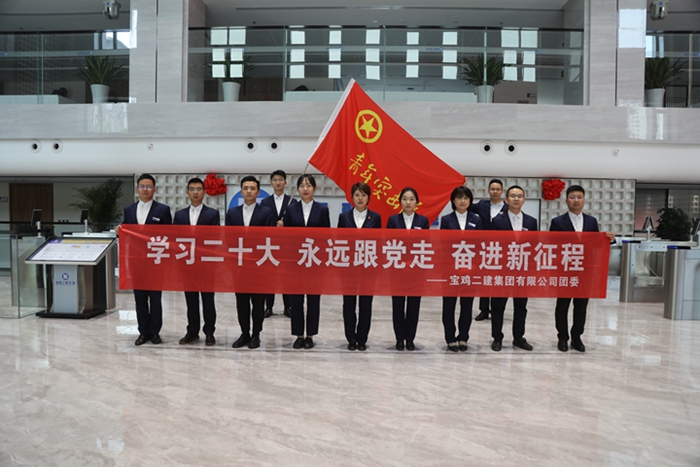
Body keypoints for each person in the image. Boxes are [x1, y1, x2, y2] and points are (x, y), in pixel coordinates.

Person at [550, 185, 616, 353]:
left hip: (585, 271)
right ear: (566, 200)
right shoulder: (557, 222)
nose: (576, 200)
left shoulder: (591, 221)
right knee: (562, 306)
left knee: (581, 306)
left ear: (584, 200)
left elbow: (596, 244)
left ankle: (577, 337)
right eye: (572, 197)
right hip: (564, 270)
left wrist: (609, 239)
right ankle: (562, 337)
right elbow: (552, 245)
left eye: (579, 197)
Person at [116, 174, 172, 346]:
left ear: (154, 189)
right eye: (142, 186)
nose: (145, 189)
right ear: (137, 189)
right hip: (136, 261)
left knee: (155, 299)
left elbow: (170, 235)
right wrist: (119, 230)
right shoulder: (129, 210)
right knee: (140, 299)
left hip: (156, 261)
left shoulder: (163, 210)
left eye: (148, 186)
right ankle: (143, 332)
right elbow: (126, 230)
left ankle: (155, 332)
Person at [225, 175, 275, 349]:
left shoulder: (266, 212)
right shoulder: (232, 213)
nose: (249, 191)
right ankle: (244, 333)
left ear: (258, 192)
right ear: (241, 191)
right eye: (246, 188)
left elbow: (269, 237)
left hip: (259, 264)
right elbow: (229, 238)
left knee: (258, 302)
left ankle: (256, 334)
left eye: (252, 188)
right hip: (239, 265)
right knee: (241, 301)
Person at [282, 174, 330, 349]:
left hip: (315, 262)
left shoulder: (322, 210)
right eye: (302, 185)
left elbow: (326, 237)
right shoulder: (291, 209)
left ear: (314, 188)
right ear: (298, 189)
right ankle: (298, 335)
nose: (305, 188)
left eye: (309, 185)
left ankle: (310, 335)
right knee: (296, 300)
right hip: (295, 262)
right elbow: (286, 237)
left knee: (313, 300)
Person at [173, 177, 221, 346]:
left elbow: (215, 238)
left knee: (208, 300)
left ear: (204, 192)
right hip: (187, 264)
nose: (195, 192)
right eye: (192, 189)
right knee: (191, 300)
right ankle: (192, 332)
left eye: (199, 189)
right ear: (187, 192)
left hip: (207, 264)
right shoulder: (179, 215)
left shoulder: (212, 214)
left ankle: (209, 332)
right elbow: (175, 239)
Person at [490, 185, 537, 352]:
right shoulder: (497, 220)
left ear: (524, 200)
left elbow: (534, 246)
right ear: (506, 199)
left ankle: (518, 337)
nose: (516, 199)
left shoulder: (531, 221)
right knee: (498, 306)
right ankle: (497, 338)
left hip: (523, 271)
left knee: (521, 306)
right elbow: (492, 245)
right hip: (502, 270)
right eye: (513, 196)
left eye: (519, 196)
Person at [337, 182, 382, 351]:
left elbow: (378, 243)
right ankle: (351, 338)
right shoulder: (344, 217)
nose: (360, 198)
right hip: (349, 268)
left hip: (368, 267)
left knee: (365, 304)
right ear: (352, 198)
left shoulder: (375, 218)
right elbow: (340, 242)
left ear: (368, 198)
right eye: (357, 195)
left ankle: (362, 339)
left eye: (363, 195)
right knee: (349, 304)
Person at [386, 187, 430, 351]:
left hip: (416, 269)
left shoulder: (423, 221)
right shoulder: (393, 220)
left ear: (417, 202)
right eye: (404, 199)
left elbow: (425, 243)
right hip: (397, 269)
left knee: (414, 305)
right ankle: (399, 338)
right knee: (397, 305)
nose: (408, 202)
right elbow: (389, 243)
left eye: (411, 199)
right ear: (400, 202)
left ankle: (410, 338)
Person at [440, 186, 482, 352]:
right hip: (450, 270)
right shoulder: (446, 220)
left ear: (470, 201)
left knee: (467, 305)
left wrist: (472, 266)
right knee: (448, 306)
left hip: (470, 270)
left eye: (466, 198)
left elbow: (480, 245)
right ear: (453, 201)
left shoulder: (476, 220)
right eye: (459, 198)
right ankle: (450, 338)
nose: (462, 201)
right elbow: (444, 245)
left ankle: (463, 337)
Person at [470, 179, 508, 322]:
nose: (495, 191)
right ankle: (484, 310)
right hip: (484, 248)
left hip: (503, 249)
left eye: (498, 189)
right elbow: (465, 205)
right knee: (485, 279)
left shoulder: (509, 207)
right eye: (492, 189)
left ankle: (497, 309)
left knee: (498, 279)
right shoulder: (482, 205)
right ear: (488, 190)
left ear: (502, 191)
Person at [260, 169, 295, 318]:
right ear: (271, 183)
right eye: (275, 180)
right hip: (270, 244)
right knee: (270, 277)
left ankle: (288, 306)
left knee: (287, 277)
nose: (278, 182)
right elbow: (262, 223)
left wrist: (285, 225)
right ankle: (269, 307)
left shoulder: (292, 202)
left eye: (281, 179)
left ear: (285, 182)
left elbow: (295, 224)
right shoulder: (265, 202)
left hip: (287, 245)